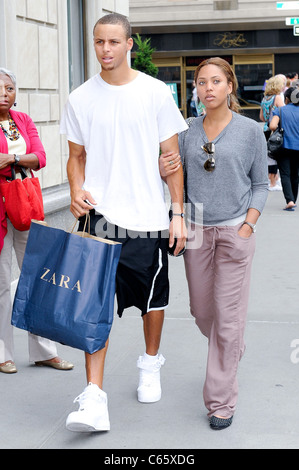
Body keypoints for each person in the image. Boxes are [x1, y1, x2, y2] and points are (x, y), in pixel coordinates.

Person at [60, 13, 187, 433]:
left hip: (148, 216)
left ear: (129, 43)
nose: (106, 49)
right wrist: (76, 189)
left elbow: (172, 162)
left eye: (114, 42)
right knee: (93, 306)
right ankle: (94, 396)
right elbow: (76, 158)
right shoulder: (80, 97)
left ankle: (150, 363)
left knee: (152, 300)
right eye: (99, 42)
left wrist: (179, 214)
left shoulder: (154, 93)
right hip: (99, 218)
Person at [160, 57, 268, 430]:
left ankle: (220, 400)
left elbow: (259, 184)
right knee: (203, 312)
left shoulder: (250, 131)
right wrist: (164, 172)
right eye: (201, 82)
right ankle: (231, 342)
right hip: (196, 230)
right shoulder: (187, 130)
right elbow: (175, 176)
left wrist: (248, 226)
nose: (208, 88)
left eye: (216, 81)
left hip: (235, 230)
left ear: (230, 86)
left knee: (226, 319)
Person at [0, 68, 74, 374]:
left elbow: (40, 157)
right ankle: (3, 352)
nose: (5, 93)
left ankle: (44, 351)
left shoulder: (23, 121)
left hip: (26, 204)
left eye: (9, 88)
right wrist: (21, 160)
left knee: (37, 276)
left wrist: (13, 160)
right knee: (2, 283)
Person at [269, 86, 299, 211]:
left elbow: (272, 125)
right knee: (295, 174)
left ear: (287, 99)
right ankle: (294, 199)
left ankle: (290, 200)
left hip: (284, 146)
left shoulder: (280, 111)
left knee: (285, 173)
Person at [259, 75, 284, 191]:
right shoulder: (277, 98)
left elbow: (261, 117)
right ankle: (273, 182)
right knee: (275, 156)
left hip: (265, 129)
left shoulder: (264, 99)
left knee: (269, 155)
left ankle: (273, 179)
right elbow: (284, 113)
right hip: (275, 130)